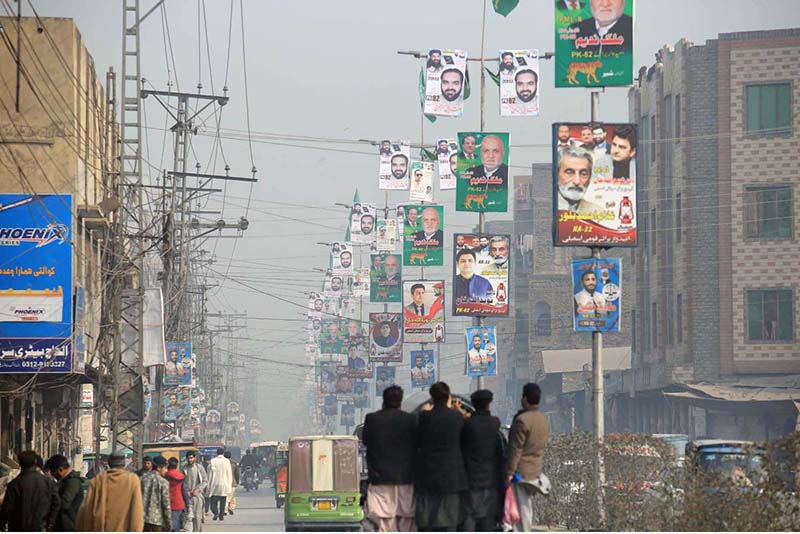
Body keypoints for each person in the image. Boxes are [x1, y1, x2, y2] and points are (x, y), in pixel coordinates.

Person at [362, 385, 417, 532]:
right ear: (400, 401)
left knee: (382, 520)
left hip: (380, 478)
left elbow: (366, 441)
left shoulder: (372, 419)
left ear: (383, 400)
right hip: (405, 479)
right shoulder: (410, 420)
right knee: (407, 518)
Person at [415, 382, 467, 531]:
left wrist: (423, 411)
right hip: (452, 475)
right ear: (448, 397)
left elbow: (417, 441)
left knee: (427, 519)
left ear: (431, 397)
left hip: (428, 475)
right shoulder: (456, 417)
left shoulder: (424, 417)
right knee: (450, 518)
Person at [506, 383, 550, 532]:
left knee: (521, 509)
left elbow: (516, 449)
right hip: (536, 470)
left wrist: (510, 473)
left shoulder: (522, 420)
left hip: (520, 473)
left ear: (524, 398)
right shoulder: (543, 419)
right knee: (526, 507)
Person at [461, 390, 504, 532]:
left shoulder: (467, 425)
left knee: (469, 517)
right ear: (488, 405)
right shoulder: (494, 423)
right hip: (490, 481)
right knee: (487, 519)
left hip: (470, 480)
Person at [76, 451, 144, 531]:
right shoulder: (132, 480)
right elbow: (137, 511)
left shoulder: (97, 481)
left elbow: (86, 509)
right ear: (123, 463)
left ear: (109, 463)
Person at [0, 450, 59, 531]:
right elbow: (56, 503)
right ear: (35, 462)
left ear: (19, 463)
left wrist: (2, 524)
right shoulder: (48, 482)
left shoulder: (14, 484)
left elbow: (7, 508)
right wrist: (49, 524)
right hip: (40, 527)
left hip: (18, 528)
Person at [556, 147, 603, 214]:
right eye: (569, 172)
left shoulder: (598, 213)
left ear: (590, 178)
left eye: (583, 174)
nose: (577, 181)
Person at [46, 454, 84, 531]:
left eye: (53, 472)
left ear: (60, 469)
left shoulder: (72, 482)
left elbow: (64, 503)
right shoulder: (65, 481)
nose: (53, 475)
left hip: (69, 526)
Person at [140, 455, 172, 532]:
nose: (166, 470)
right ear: (159, 468)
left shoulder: (141, 479)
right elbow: (166, 504)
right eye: (165, 468)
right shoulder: (163, 482)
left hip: (142, 520)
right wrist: (169, 523)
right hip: (157, 522)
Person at [183, 451, 207, 532]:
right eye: (188, 458)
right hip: (187, 496)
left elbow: (205, 481)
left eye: (191, 458)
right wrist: (186, 491)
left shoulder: (199, 468)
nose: (190, 460)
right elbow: (182, 482)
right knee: (188, 518)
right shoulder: (184, 469)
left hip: (197, 496)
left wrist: (198, 489)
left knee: (197, 518)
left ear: (195, 458)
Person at [206, 448, 232, 521]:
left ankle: (215, 513)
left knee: (213, 501)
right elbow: (229, 474)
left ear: (216, 453)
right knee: (223, 501)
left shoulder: (213, 461)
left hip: (214, 484)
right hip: (224, 484)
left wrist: (208, 484)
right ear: (223, 453)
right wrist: (229, 485)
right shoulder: (227, 461)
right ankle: (221, 515)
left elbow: (209, 474)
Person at [165, 457, 187, 531]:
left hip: (169, 504)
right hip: (180, 504)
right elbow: (184, 492)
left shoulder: (165, 476)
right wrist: (187, 505)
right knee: (177, 527)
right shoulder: (181, 476)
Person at [224, 451, 239, 516]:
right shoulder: (234, 463)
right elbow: (237, 473)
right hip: (233, 482)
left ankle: (226, 509)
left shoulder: (223, 463)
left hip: (224, 482)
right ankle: (231, 507)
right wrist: (237, 481)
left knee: (227, 496)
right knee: (231, 496)